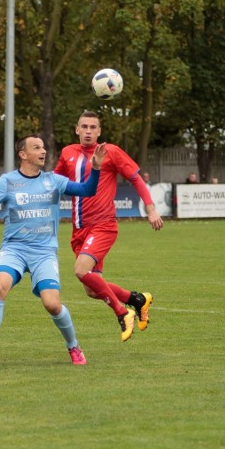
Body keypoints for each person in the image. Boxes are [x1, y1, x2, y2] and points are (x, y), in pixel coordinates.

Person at [0, 136, 107, 368]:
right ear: (22, 154)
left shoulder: (54, 181)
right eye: (37, 148)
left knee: (52, 304)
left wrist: (96, 167)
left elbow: (88, 190)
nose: (43, 151)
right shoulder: (8, 181)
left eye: (43, 147)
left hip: (44, 252)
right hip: (14, 249)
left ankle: (73, 346)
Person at [54, 111, 163, 342]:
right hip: (78, 230)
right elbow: (54, 183)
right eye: (84, 126)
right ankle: (137, 300)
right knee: (92, 290)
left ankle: (123, 313)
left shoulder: (110, 152)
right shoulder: (67, 154)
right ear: (77, 129)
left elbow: (135, 178)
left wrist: (151, 208)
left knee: (80, 270)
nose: (88, 131)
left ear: (99, 131)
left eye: (93, 127)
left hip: (103, 226)